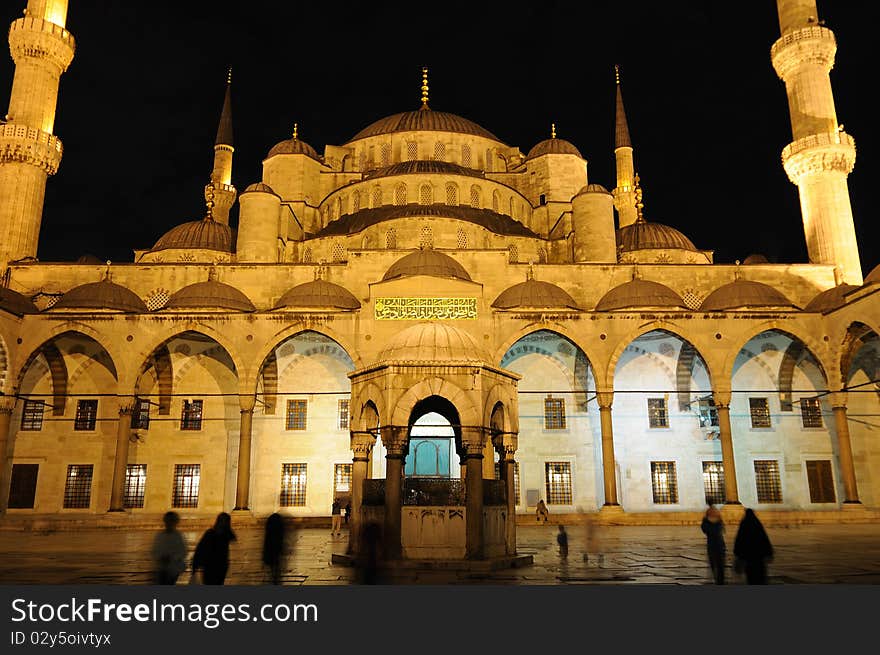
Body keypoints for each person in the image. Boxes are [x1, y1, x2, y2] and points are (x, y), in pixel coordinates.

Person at [192, 512, 237, 585]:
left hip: (220, 566)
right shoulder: (211, 533)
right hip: (211, 566)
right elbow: (200, 549)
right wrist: (196, 565)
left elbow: (200, 549)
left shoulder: (225, 534)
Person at [733, 508, 773, 584]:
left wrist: (737, 553)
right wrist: (769, 552)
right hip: (759, 558)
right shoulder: (757, 524)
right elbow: (764, 539)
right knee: (761, 578)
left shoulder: (744, 524)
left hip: (749, 558)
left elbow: (739, 540)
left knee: (751, 578)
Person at [151, 511, 187, 585]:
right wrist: (160, 557)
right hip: (162, 568)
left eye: (171, 521)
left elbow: (183, 552)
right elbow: (155, 550)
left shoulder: (178, 536)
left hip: (173, 569)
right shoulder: (160, 535)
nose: (169, 523)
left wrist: (172, 558)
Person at [701, 505, 726, 584]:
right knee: (720, 563)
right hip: (720, 543)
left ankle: (716, 577)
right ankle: (720, 579)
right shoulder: (719, 520)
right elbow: (722, 528)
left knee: (713, 561)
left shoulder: (706, 520)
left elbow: (704, 529)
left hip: (711, 543)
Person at [262, 512, 286, 585]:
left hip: (270, 547)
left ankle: (273, 574)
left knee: (273, 562)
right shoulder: (279, 530)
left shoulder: (269, 531)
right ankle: (275, 575)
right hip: (276, 547)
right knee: (276, 561)